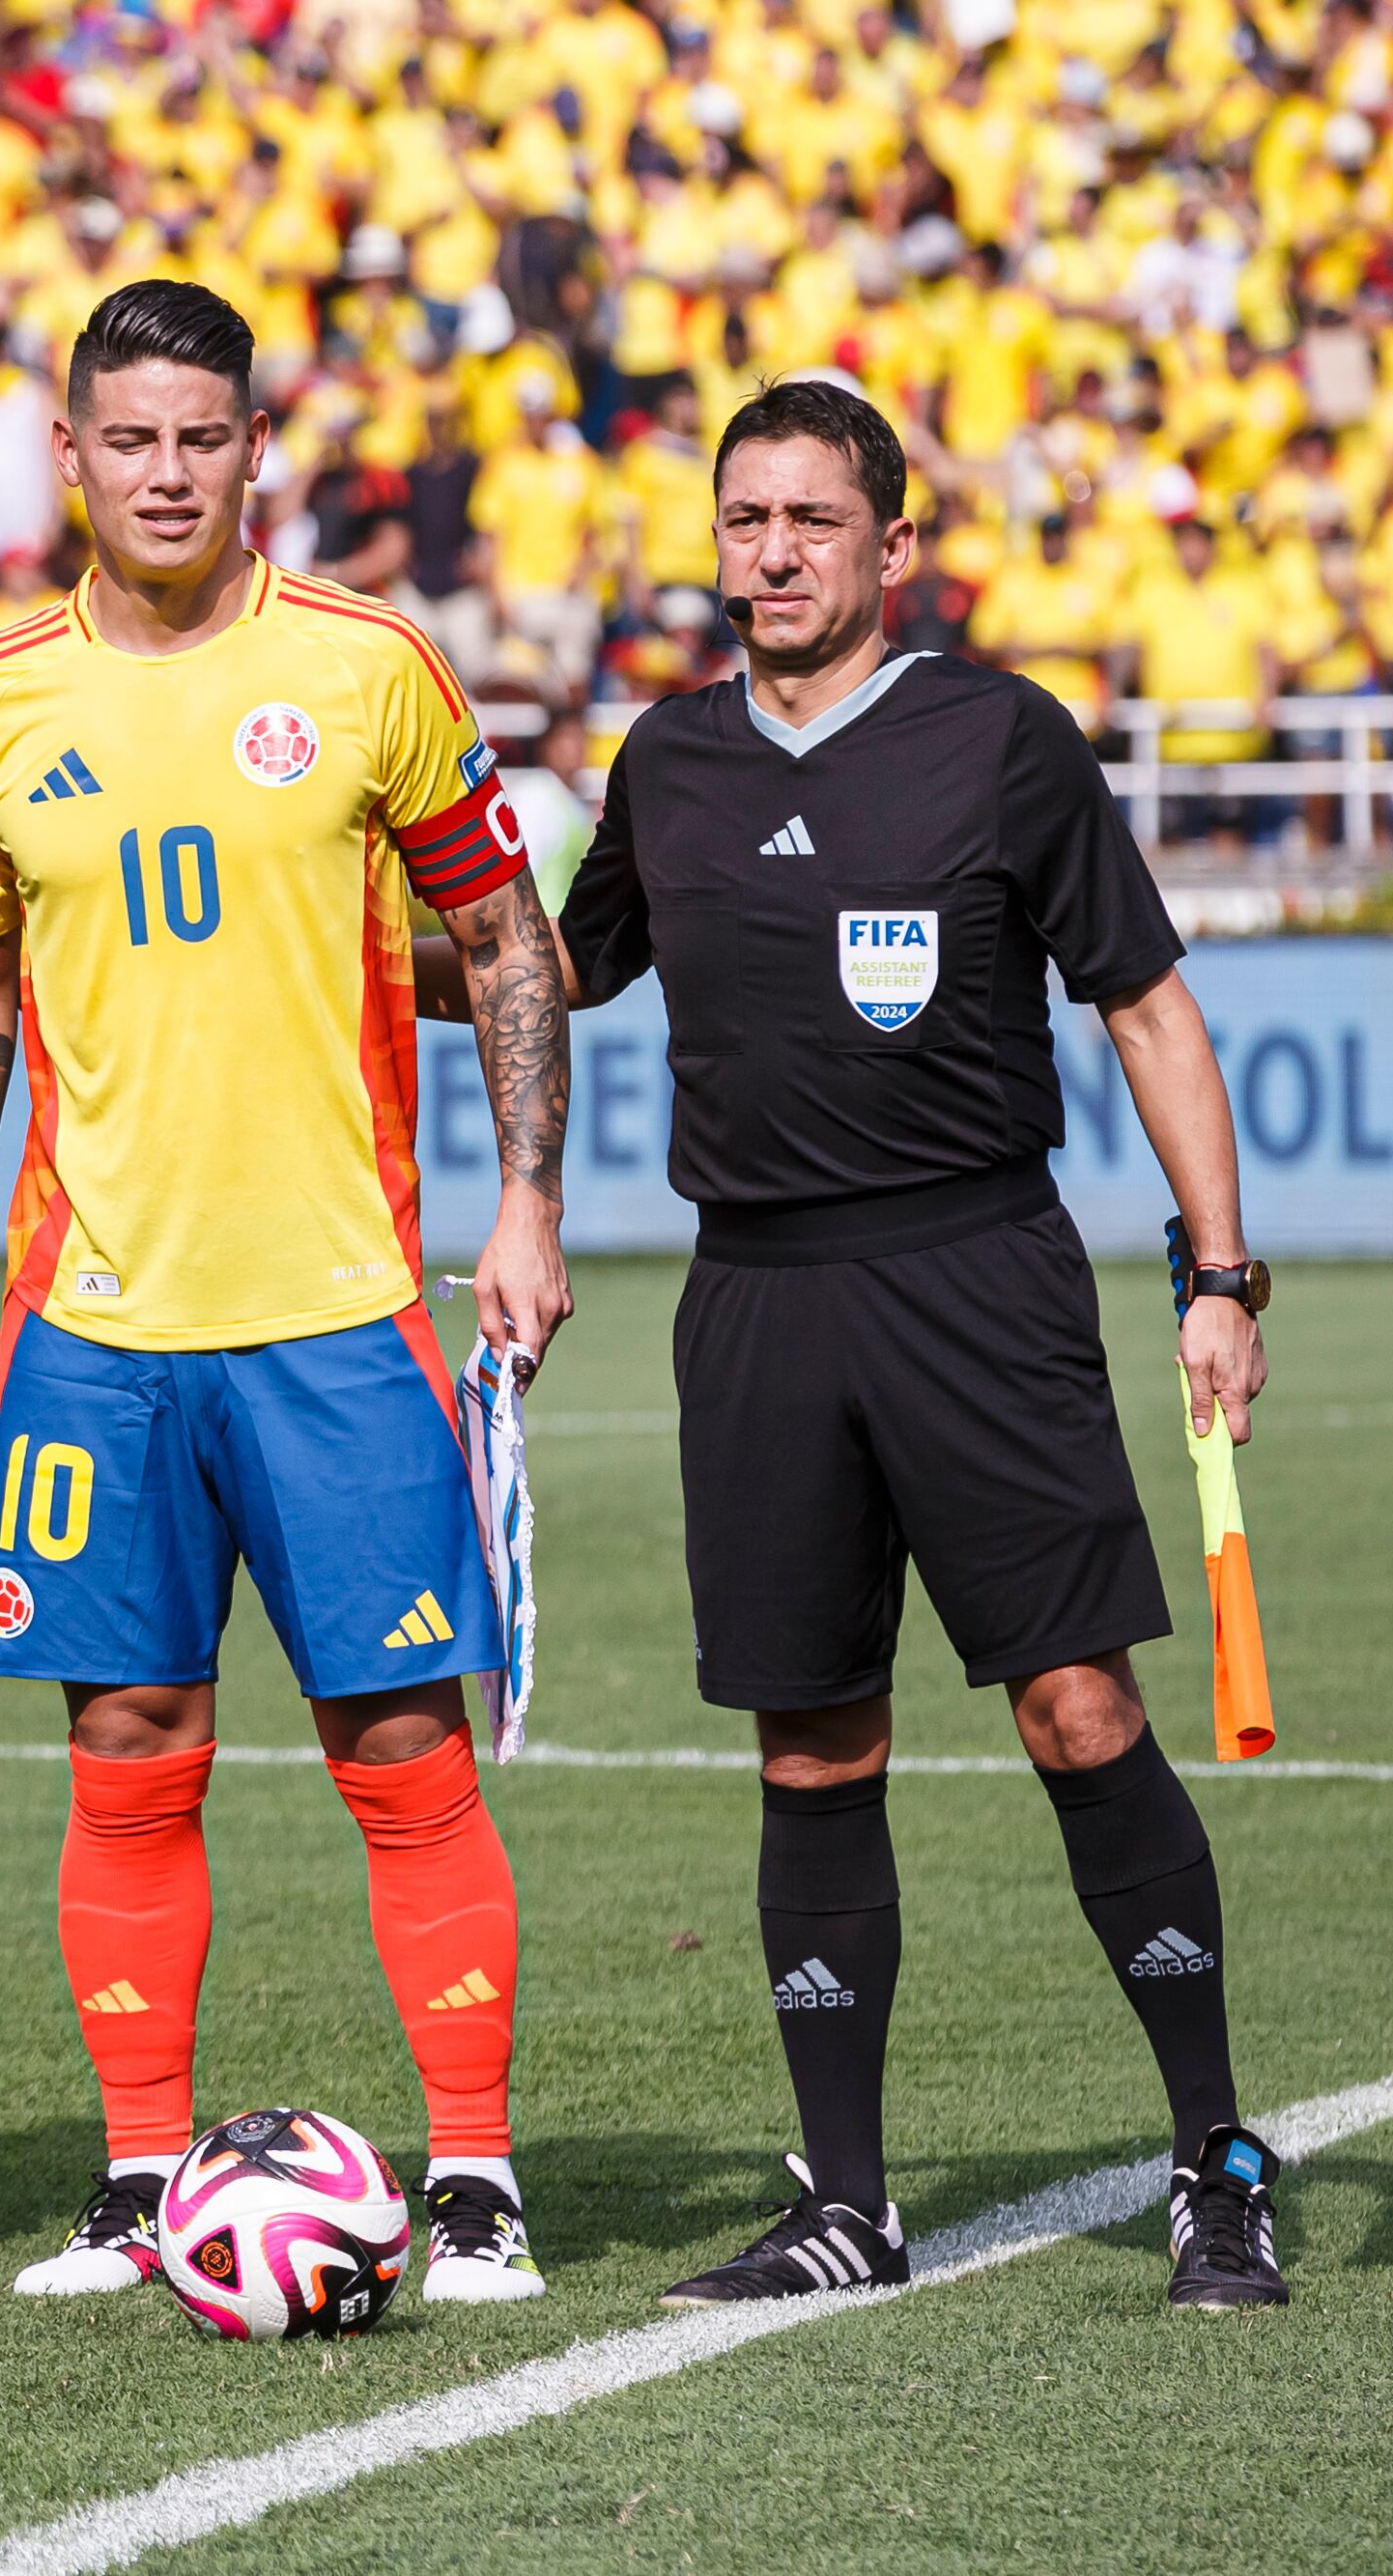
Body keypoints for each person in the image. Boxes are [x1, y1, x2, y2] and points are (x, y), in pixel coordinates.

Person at [527, 380, 1287, 2310]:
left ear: (887, 545)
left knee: (1074, 1709)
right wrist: (393, 879)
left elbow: (1147, 1011)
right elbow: (547, 971)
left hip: (974, 1279)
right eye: (741, 519)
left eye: (807, 518)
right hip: (753, 1298)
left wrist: (1217, 1273)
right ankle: (844, 2198)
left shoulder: (996, 740)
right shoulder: (669, 760)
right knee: (808, 1739)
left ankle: (1212, 2159)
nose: (768, 552)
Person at [0, 281, 576, 2308]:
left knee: (396, 1740)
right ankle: (132, 2176)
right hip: (90, 1319)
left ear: (254, 449)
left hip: (334, 1306)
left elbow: (506, 935)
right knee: (125, 1736)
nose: (167, 470)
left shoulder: (368, 668)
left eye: (203, 434)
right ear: (73, 453)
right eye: (129, 438)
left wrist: (529, 1195)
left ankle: (469, 2177)